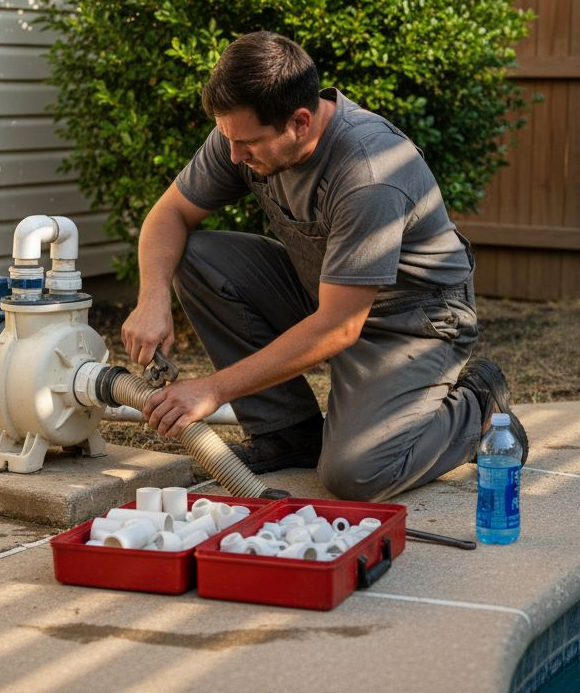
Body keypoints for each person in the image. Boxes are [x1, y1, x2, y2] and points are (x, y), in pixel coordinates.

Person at [121, 31, 527, 502]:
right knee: (195, 256)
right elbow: (168, 215)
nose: (234, 157)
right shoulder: (244, 131)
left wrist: (213, 389)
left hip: (412, 322)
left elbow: (338, 328)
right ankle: (287, 432)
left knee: (358, 473)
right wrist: (152, 299)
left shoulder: (368, 173)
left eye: (247, 144)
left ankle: (476, 406)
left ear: (300, 120)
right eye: (228, 139)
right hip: (328, 294)